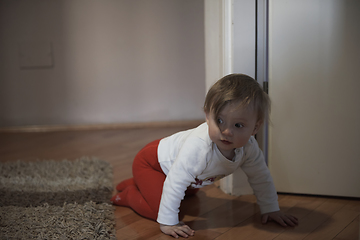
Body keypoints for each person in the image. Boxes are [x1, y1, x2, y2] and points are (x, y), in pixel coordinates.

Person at [111, 74, 298, 238]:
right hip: (151, 163)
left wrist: (271, 208)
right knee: (158, 209)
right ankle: (129, 195)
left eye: (238, 125)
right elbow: (175, 181)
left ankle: (139, 182)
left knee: (190, 192)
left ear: (255, 128)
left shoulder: (249, 148)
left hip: (178, 168)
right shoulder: (198, 148)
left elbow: (261, 177)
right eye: (220, 121)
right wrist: (168, 222)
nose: (226, 131)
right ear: (207, 116)